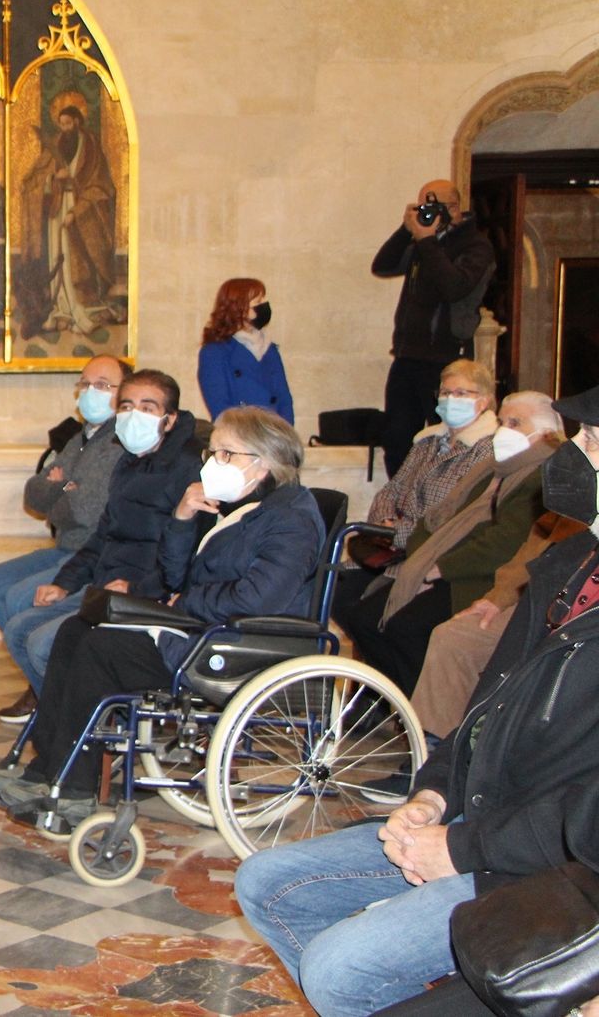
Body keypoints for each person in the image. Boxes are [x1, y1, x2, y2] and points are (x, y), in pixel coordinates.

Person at [235, 385, 599, 1017]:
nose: (573, 453)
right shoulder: (569, 563)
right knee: (268, 883)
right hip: (482, 816)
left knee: (339, 968)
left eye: (592, 441)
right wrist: (434, 793)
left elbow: (583, 815)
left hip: (549, 866)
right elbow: (485, 712)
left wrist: (462, 850)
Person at [0, 408, 324, 822]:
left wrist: (184, 604)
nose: (211, 463)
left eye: (225, 453)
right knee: (78, 628)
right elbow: (175, 575)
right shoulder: (241, 508)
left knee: (101, 649)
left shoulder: (292, 519)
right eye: (211, 452)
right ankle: (46, 771)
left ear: (264, 461)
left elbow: (257, 598)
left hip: (237, 643)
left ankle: (73, 788)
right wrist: (182, 519)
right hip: (203, 627)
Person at [332, 391, 560, 695]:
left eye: (516, 422)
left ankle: (424, 710)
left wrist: (441, 568)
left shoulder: (542, 476)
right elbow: (438, 519)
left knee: (405, 627)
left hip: (477, 576)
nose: (504, 430)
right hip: (438, 564)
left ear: (545, 433)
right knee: (363, 617)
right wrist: (422, 560)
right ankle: (404, 702)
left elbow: (505, 541)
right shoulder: (493, 470)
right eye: (503, 421)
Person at [0, 354, 129, 723]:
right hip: (65, 545)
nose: (90, 392)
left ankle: (51, 698)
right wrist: (65, 488)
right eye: (85, 383)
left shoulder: (117, 442)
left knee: (19, 596)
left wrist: (60, 490)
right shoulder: (79, 438)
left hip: (89, 550)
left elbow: (86, 511)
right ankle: (40, 683)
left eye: (103, 385)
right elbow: (34, 496)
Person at [409, 508, 584, 738]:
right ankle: (436, 746)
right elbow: (531, 553)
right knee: (454, 638)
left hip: (581, 614)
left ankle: (489, 746)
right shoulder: (575, 496)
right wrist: (497, 598)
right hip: (543, 597)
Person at [372, 178, 496, 477]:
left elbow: (454, 287)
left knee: (446, 435)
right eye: (425, 204)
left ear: (454, 207)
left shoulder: (475, 245)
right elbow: (383, 265)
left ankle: (440, 500)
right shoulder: (421, 243)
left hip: (445, 358)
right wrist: (407, 230)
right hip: (407, 355)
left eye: (437, 205)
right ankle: (400, 499)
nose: (430, 212)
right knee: (397, 436)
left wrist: (427, 241)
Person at [362, 357, 498, 551]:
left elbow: (453, 514)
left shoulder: (487, 448)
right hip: (392, 547)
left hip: (435, 552)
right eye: (445, 392)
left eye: (460, 393)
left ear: (483, 401)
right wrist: (385, 522)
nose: (451, 399)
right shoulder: (427, 441)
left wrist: (395, 533)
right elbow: (391, 490)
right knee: (339, 574)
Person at [17, 90, 118, 338]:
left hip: (82, 208)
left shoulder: (91, 147)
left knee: (76, 256)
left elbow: (101, 185)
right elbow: (33, 179)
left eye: (67, 123)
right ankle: (60, 303)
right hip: (57, 206)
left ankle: (79, 303)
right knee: (57, 253)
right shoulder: (57, 144)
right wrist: (53, 178)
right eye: (60, 123)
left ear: (77, 122)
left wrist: (77, 207)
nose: (63, 128)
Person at [196, 277, 294, 425]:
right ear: (238, 308)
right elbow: (219, 406)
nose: (264, 307)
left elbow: (284, 398)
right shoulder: (215, 352)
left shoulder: (270, 350)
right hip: (240, 436)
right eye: (258, 302)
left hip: (274, 436)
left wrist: (285, 433)